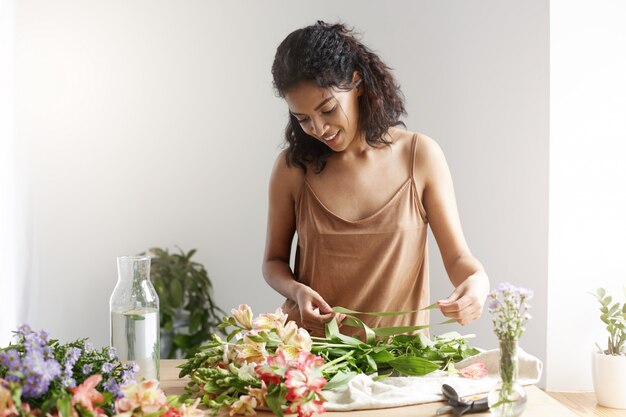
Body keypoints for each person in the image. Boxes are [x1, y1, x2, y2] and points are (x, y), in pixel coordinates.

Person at [262, 21, 489, 337]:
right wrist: (296, 291)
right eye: (303, 119)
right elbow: (273, 262)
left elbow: (459, 258)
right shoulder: (292, 169)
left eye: (327, 109)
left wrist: (478, 283)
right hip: (315, 364)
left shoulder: (419, 156)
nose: (318, 128)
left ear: (357, 83)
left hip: (401, 368)